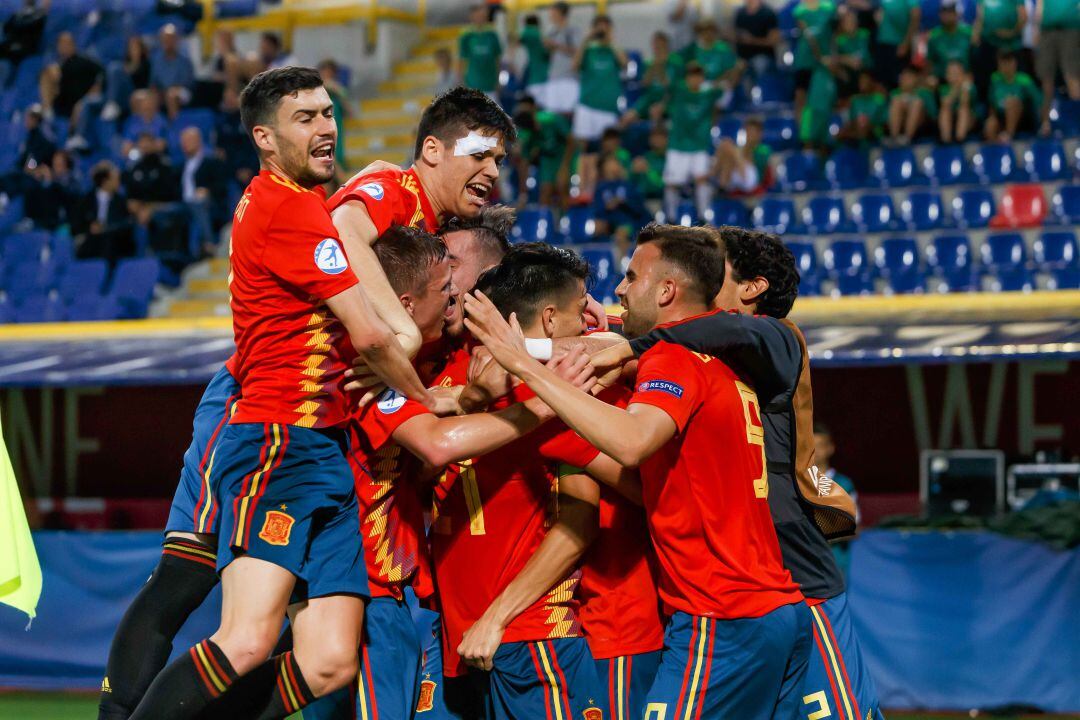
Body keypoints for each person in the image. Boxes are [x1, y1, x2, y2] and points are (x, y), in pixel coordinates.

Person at [109, 67, 455, 720]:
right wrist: (428, 397)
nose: (326, 128)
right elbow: (375, 337)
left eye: (328, 114)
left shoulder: (292, 203)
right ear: (265, 137)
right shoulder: (290, 209)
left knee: (328, 660)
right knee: (245, 638)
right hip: (277, 443)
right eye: (307, 118)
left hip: (321, 452)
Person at [463, 224, 813, 719]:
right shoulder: (723, 356)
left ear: (667, 290)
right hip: (772, 609)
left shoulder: (670, 359)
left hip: (722, 614)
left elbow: (632, 442)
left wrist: (523, 366)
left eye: (631, 276)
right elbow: (653, 473)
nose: (621, 290)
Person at [551, 226, 881, 720]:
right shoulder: (701, 353)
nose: (701, 272)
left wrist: (631, 344)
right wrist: (617, 323)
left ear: (752, 289)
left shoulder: (775, 335)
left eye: (716, 267)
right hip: (746, 586)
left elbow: (723, 330)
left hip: (798, 577)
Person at [435, 243, 610, 720]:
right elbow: (582, 517)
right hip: (506, 638)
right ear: (551, 319)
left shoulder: (452, 381)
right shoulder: (559, 391)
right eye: (581, 311)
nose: (588, 324)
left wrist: (494, 617)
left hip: (516, 632)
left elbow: (578, 520)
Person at [326, 87, 517, 368]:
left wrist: (573, 297)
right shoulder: (397, 191)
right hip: (299, 381)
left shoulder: (446, 221)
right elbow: (344, 230)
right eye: (479, 155)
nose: (493, 172)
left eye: (497, 161)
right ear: (432, 150)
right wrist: (406, 335)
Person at [663, 62, 721, 221]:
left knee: (702, 179)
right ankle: (671, 218)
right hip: (678, 145)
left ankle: (704, 218)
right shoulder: (679, 90)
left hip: (699, 146)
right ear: (687, 77)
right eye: (692, 75)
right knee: (672, 183)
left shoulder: (709, 93)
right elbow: (665, 82)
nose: (695, 79)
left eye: (698, 75)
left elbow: (726, 86)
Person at [572, 15, 626, 153]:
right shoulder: (588, 50)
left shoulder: (614, 50)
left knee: (609, 149)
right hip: (587, 105)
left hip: (607, 108)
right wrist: (586, 40)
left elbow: (626, 65)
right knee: (582, 148)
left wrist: (611, 42)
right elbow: (575, 66)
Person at [813, 423, 859, 578]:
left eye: (820, 445)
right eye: (810, 446)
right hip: (805, 565)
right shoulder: (796, 483)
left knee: (833, 602)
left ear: (830, 448)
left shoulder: (843, 484)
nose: (815, 451)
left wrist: (824, 535)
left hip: (834, 564)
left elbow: (854, 527)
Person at [513, 93, 571, 209]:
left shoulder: (551, 120)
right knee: (545, 194)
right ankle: (548, 223)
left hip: (565, 154)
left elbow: (571, 141)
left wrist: (564, 168)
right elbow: (524, 163)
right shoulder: (527, 133)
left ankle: (567, 222)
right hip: (548, 159)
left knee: (562, 187)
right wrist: (523, 195)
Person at [592, 153, 649, 267]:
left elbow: (639, 208)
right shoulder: (600, 188)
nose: (615, 165)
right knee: (597, 226)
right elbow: (597, 211)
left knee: (622, 232)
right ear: (603, 168)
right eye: (611, 162)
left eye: (616, 162)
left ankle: (623, 268)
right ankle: (598, 266)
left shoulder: (628, 185)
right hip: (609, 222)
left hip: (629, 223)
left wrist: (623, 202)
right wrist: (607, 208)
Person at [72, 160, 133, 265]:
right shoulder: (86, 200)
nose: (118, 182)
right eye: (115, 179)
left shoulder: (121, 201)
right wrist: (90, 227)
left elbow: (126, 224)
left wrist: (107, 228)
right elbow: (76, 224)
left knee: (109, 241)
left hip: (112, 241)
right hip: (90, 239)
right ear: (106, 181)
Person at [1033, 0, 1080, 135]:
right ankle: (1045, 123)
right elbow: (1041, 3)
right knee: (1046, 80)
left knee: (1072, 76)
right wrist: (1037, 27)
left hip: (1071, 29)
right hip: (1047, 31)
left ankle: (1077, 122)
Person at [179, 127, 228, 255]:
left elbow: (221, 186)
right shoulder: (180, 165)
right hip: (183, 204)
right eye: (183, 141)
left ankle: (208, 243)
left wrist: (208, 191)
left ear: (199, 140)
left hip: (206, 203)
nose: (186, 144)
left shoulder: (211, 161)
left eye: (189, 140)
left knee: (199, 205)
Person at [38, 31, 103, 120]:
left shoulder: (84, 61)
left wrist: (94, 90)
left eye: (67, 43)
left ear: (73, 45)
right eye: (61, 43)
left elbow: (102, 73)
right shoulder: (58, 67)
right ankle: (48, 111)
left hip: (81, 104)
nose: (64, 46)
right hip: (62, 106)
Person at [621, 32, 677, 126]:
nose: (657, 47)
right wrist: (655, 66)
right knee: (627, 118)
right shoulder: (648, 64)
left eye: (660, 44)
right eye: (655, 44)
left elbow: (671, 88)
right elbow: (645, 85)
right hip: (649, 100)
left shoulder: (675, 62)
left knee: (655, 111)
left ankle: (657, 137)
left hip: (669, 101)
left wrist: (661, 66)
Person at [972, 0, 1026, 98]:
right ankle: (989, 106)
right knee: (986, 80)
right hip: (989, 45)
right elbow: (980, 18)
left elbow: (1023, 17)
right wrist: (975, 36)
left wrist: (1011, 33)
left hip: (1011, 46)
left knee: (1012, 80)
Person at [792, 0, 837, 120]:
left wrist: (832, 57)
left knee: (823, 98)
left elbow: (833, 34)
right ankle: (803, 134)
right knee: (801, 97)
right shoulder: (799, 10)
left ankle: (821, 132)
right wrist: (820, 57)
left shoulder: (829, 7)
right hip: (805, 60)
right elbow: (809, 37)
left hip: (825, 62)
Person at [985, 49, 1042, 140]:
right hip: (1002, 116)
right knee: (990, 123)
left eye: (1008, 62)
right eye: (1003, 63)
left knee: (1011, 101)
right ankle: (995, 149)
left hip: (1023, 119)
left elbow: (1038, 102)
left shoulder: (1024, 80)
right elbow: (992, 104)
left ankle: (1009, 135)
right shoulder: (995, 79)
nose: (1006, 66)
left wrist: (1043, 123)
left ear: (1014, 63)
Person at [541, 1, 581, 115]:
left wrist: (556, 45)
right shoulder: (551, 32)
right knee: (551, 114)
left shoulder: (573, 30)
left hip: (569, 79)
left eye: (553, 12)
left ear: (560, 13)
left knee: (568, 114)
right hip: (553, 78)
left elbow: (578, 52)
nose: (550, 15)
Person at [714, 115, 770, 194]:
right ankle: (722, 185)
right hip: (739, 175)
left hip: (753, 180)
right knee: (726, 146)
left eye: (752, 131)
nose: (749, 134)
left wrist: (738, 153)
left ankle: (713, 175)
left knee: (729, 147)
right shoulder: (741, 147)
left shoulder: (764, 149)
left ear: (759, 133)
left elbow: (757, 163)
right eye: (747, 131)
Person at [458, 4, 503, 100]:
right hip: (473, 86)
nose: (480, 18)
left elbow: (497, 60)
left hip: (490, 85)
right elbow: (461, 61)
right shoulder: (467, 37)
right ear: (472, 17)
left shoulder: (492, 36)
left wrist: (498, 81)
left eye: (482, 16)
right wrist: (462, 83)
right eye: (477, 16)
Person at [150, 24, 195, 119]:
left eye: (170, 38)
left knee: (171, 95)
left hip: (182, 92)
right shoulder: (156, 60)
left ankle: (175, 127)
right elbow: (154, 82)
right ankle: (151, 127)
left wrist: (167, 91)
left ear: (176, 40)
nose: (168, 42)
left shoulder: (184, 60)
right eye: (165, 39)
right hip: (162, 91)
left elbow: (186, 83)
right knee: (146, 97)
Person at [102, 36, 152, 123]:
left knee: (115, 68)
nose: (133, 49)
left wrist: (133, 65)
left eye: (136, 47)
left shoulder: (146, 64)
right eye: (131, 47)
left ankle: (112, 103)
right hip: (122, 95)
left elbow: (145, 82)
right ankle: (112, 104)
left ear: (141, 49)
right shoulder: (125, 63)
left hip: (135, 93)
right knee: (114, 68)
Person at [874, 0, 920, 89]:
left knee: (898, 81)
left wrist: (906, 42)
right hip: (882, 42)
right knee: (882, 80)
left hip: (898, 45)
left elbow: (916, 15)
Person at [887, 65, 937, 144]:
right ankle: (894, 138)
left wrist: (911, 105)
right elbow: (888, 114)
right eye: (903, 77)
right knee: (897, 101)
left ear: (915, 79)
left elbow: (933, 114)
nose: (905, 80)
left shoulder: (924, 92)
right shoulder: (895, 93)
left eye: (908, 78)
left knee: (917, 103)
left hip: (922, 124)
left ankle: (907, 138)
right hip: (901, 122)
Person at [926, 1, 973, 82]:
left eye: (950, 13)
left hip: (965, 77)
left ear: (957, 14)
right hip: (942, 79)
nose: (947, 16)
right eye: (944, 13)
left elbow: (975, 57)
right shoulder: (934, 36)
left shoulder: (968, 33)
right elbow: (930, 61)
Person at [833, 5, 873, 98]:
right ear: (842, 24)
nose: (851, 24)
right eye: (847, 22)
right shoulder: (839, 40)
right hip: (849, 73)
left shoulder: (865, 34)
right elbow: (833, 58)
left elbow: (873, 54)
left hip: (867, 71)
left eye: (853, 20)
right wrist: (846, 59)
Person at [735, 0, 781, 78]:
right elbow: (736, 34)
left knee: (759, 64)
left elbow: (773, 41)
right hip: (743, 57)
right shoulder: (740, 13)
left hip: (763, 55)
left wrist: (752, 40)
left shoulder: (768, 13)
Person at [840, 71, 888, 143]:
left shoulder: (879, 99)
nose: (862, 82)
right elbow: (852, 121)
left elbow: (884, 122)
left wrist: (870, 126)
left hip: (875, 136)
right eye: (860, 80)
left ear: (872, 82)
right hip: (856, 136)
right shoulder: (855, 100)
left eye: (865, 79)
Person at [938, 60, 980, 143]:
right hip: (951, 120)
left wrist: (963, 86)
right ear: (947, 76)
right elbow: (945, 104)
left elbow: (965, 102)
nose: (955, 76)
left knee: (963, 109)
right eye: (951, 73)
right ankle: (946, 141)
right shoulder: (944, 88)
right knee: (944, 111)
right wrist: (956, 88)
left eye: (957, 73)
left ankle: (960, 139)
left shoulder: (969, 86)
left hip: (969, 120)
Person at [121, 89, 168, 158]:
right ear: (140, 106)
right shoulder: (132, 121)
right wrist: (140, 147)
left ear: (155, 105)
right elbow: (126, 148)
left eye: (150, 103)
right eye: (144, 104)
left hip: (157, 157)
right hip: (136, 156)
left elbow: (162, 145)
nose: (147, 106)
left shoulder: (162, 121)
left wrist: (147, 147)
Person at [516, 14, 549, 102]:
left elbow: (517, 40)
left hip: (534, 77)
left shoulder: (529, 31)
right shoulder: (541, 35)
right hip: (546, 75)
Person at [630, 125, 667, 202]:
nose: (656, 140)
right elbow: (631, 181)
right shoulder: (645, 157)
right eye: (653, 137)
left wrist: (648, 170)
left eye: (660, 137)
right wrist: (633, 171)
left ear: (667, 139)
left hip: (660, 199)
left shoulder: (670, 159)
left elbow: (663, 186)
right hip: (641, 200)